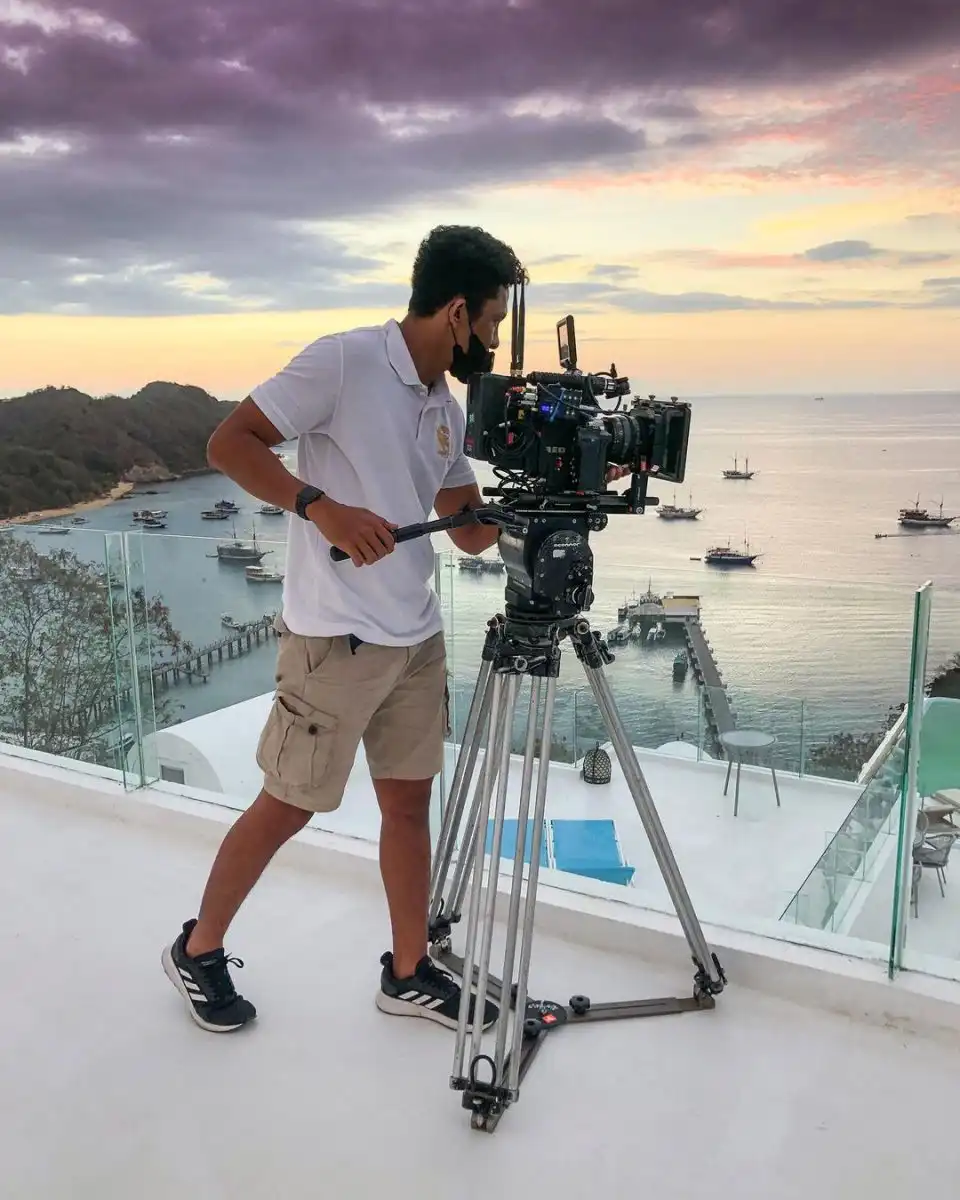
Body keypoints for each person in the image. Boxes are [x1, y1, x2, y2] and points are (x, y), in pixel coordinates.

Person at [161, 225, 522, 1035]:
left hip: (414, 639)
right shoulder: (346, 361)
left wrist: (550, 495)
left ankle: (408, 972)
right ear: (457, 312)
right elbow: (229, 443)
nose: (495, 341)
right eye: (493, 321)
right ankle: (197, 948)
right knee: (288, 804)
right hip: (335, 642)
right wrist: (319, 506)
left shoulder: (442, 406)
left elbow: (468, 529)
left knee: (408, 807)